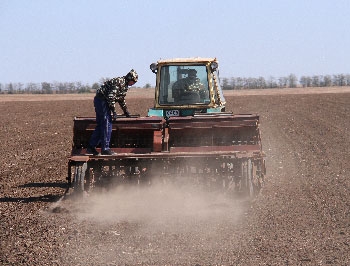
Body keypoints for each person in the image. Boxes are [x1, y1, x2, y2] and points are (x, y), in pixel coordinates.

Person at [87, 69, 138, 156]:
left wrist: (126, 112)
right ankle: (105, 149)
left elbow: (121, 99)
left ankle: (91, 147)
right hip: (102, 100)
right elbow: (111, 97)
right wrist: (114, 112)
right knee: (107, 123)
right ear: (129, 79)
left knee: (101, 125)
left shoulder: (124, 85)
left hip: (102, 100)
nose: (132, 84)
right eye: (133, 82)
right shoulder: (119, 82)